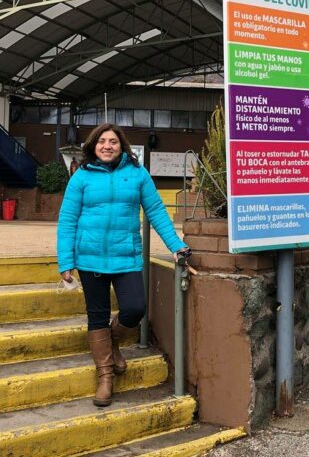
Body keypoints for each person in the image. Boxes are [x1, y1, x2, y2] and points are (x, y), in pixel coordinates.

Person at [57, 124, 188, 407]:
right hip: (89, 257)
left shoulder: (137, 174)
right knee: (97, 314)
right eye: (102, 141)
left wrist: (176, 245)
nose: (107, 146)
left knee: (135, 308)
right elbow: (67, 220)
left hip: (125, 256)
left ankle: (112, 341)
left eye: (113, 141)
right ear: (93, 146)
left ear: (122, 146)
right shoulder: (81, 177)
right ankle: (105, 376)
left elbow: (155, 211)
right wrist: (66, 261)